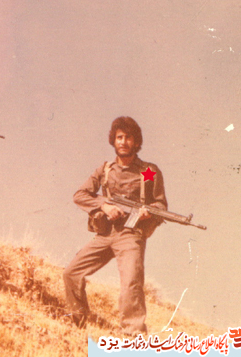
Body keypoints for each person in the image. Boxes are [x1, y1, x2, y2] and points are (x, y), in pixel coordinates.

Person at [63, 116, 167, 335]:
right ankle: (77, 323)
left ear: (136, 142)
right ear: (113, 140)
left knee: (131, 282)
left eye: (128, 137)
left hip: (131, 235)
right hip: (105, 233)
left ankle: (133, 335)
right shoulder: (105, 170)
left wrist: (149, 212)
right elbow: (80, 195)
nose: (123, 142)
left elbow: (160, 204)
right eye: (119, 137)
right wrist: (105, 205)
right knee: (72, 272)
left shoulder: (149, 171)